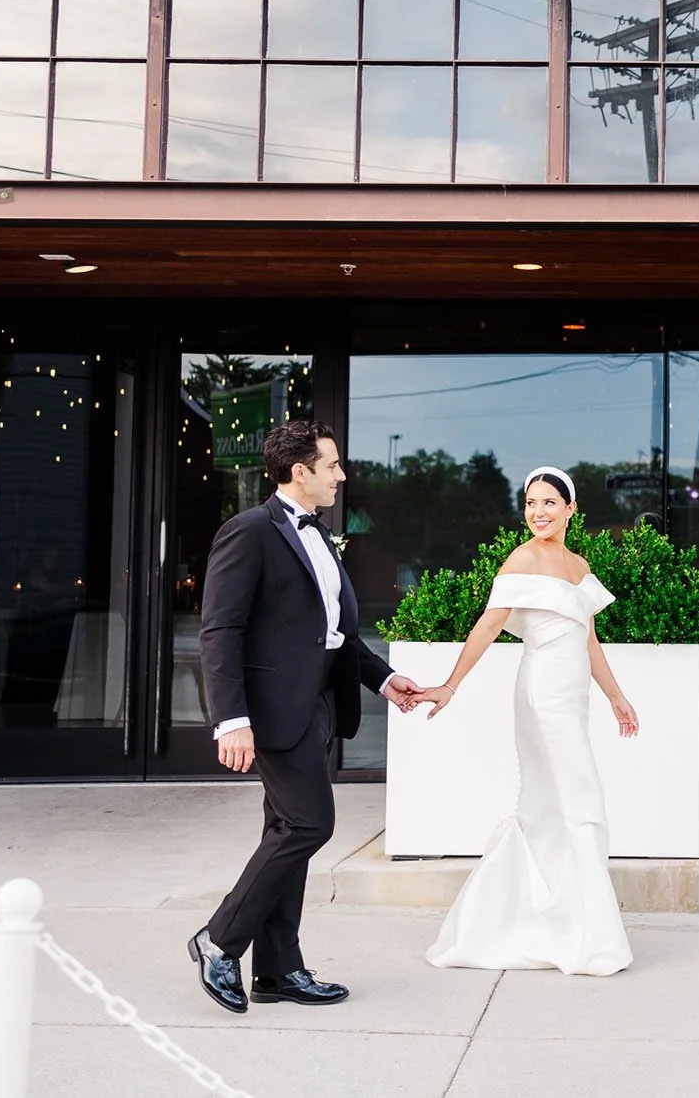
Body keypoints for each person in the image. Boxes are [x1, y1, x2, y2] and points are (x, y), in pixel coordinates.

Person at [188, 420, 427, 1014]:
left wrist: (385, 677)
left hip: (320, 706)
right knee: (307, 826)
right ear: (300, 472)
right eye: (333, 466)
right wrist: (230, 719)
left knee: (284, 833)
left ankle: (278, 970)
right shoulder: (247, 533)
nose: (342, 476)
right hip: (272, 712)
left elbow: (336, 634)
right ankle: (219, 940)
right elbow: (220, 631)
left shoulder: (320, 535)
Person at [413, 466, 639, 977]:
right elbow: (489, 624)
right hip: (542, 694)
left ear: (570, 509)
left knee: (554, 807)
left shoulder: (579, 566)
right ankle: (587, 940)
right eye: (530, 503)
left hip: (573, 694)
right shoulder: (522, 558)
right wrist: (451, 684)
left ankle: (560, 926)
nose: (537, 511)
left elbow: (589, 641)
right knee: (580, 803)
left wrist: (616, 697)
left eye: (548, 503)